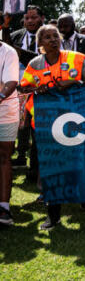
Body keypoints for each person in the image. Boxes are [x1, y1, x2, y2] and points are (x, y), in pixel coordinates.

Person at [19, 24, 85, 230]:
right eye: (47, 37)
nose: (52, 40)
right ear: (40, 43)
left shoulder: (75, 58)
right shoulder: (35, 63)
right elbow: (24, 86)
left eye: (55, 36)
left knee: (79, 160)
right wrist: (36, 87)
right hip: (46, 124)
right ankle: (53, 216)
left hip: (76, 120)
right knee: (51, 167)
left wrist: (73, 83)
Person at [10, 5, 44, 171]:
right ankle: (20, 155)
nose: (30, 21)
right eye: (27, 18)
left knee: (36, 126)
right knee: (21, 124)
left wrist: (21, 53)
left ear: (42, 18)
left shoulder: (48, 36)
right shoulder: (14, 36)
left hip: (40, 89)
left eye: (33, 17)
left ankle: (36, 164)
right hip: (18, 88)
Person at [0, 39, 19, 226]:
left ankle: (4, 208)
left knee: (4, 157)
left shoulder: (8, 52)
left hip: (5, 112)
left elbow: (11, 82)